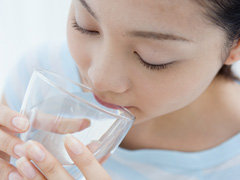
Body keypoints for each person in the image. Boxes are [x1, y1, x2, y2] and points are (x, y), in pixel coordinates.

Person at [1, 0, 240, 179]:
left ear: (235, 45)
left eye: (152, 57)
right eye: (85, 26)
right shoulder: (42, 74)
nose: (99, 79)